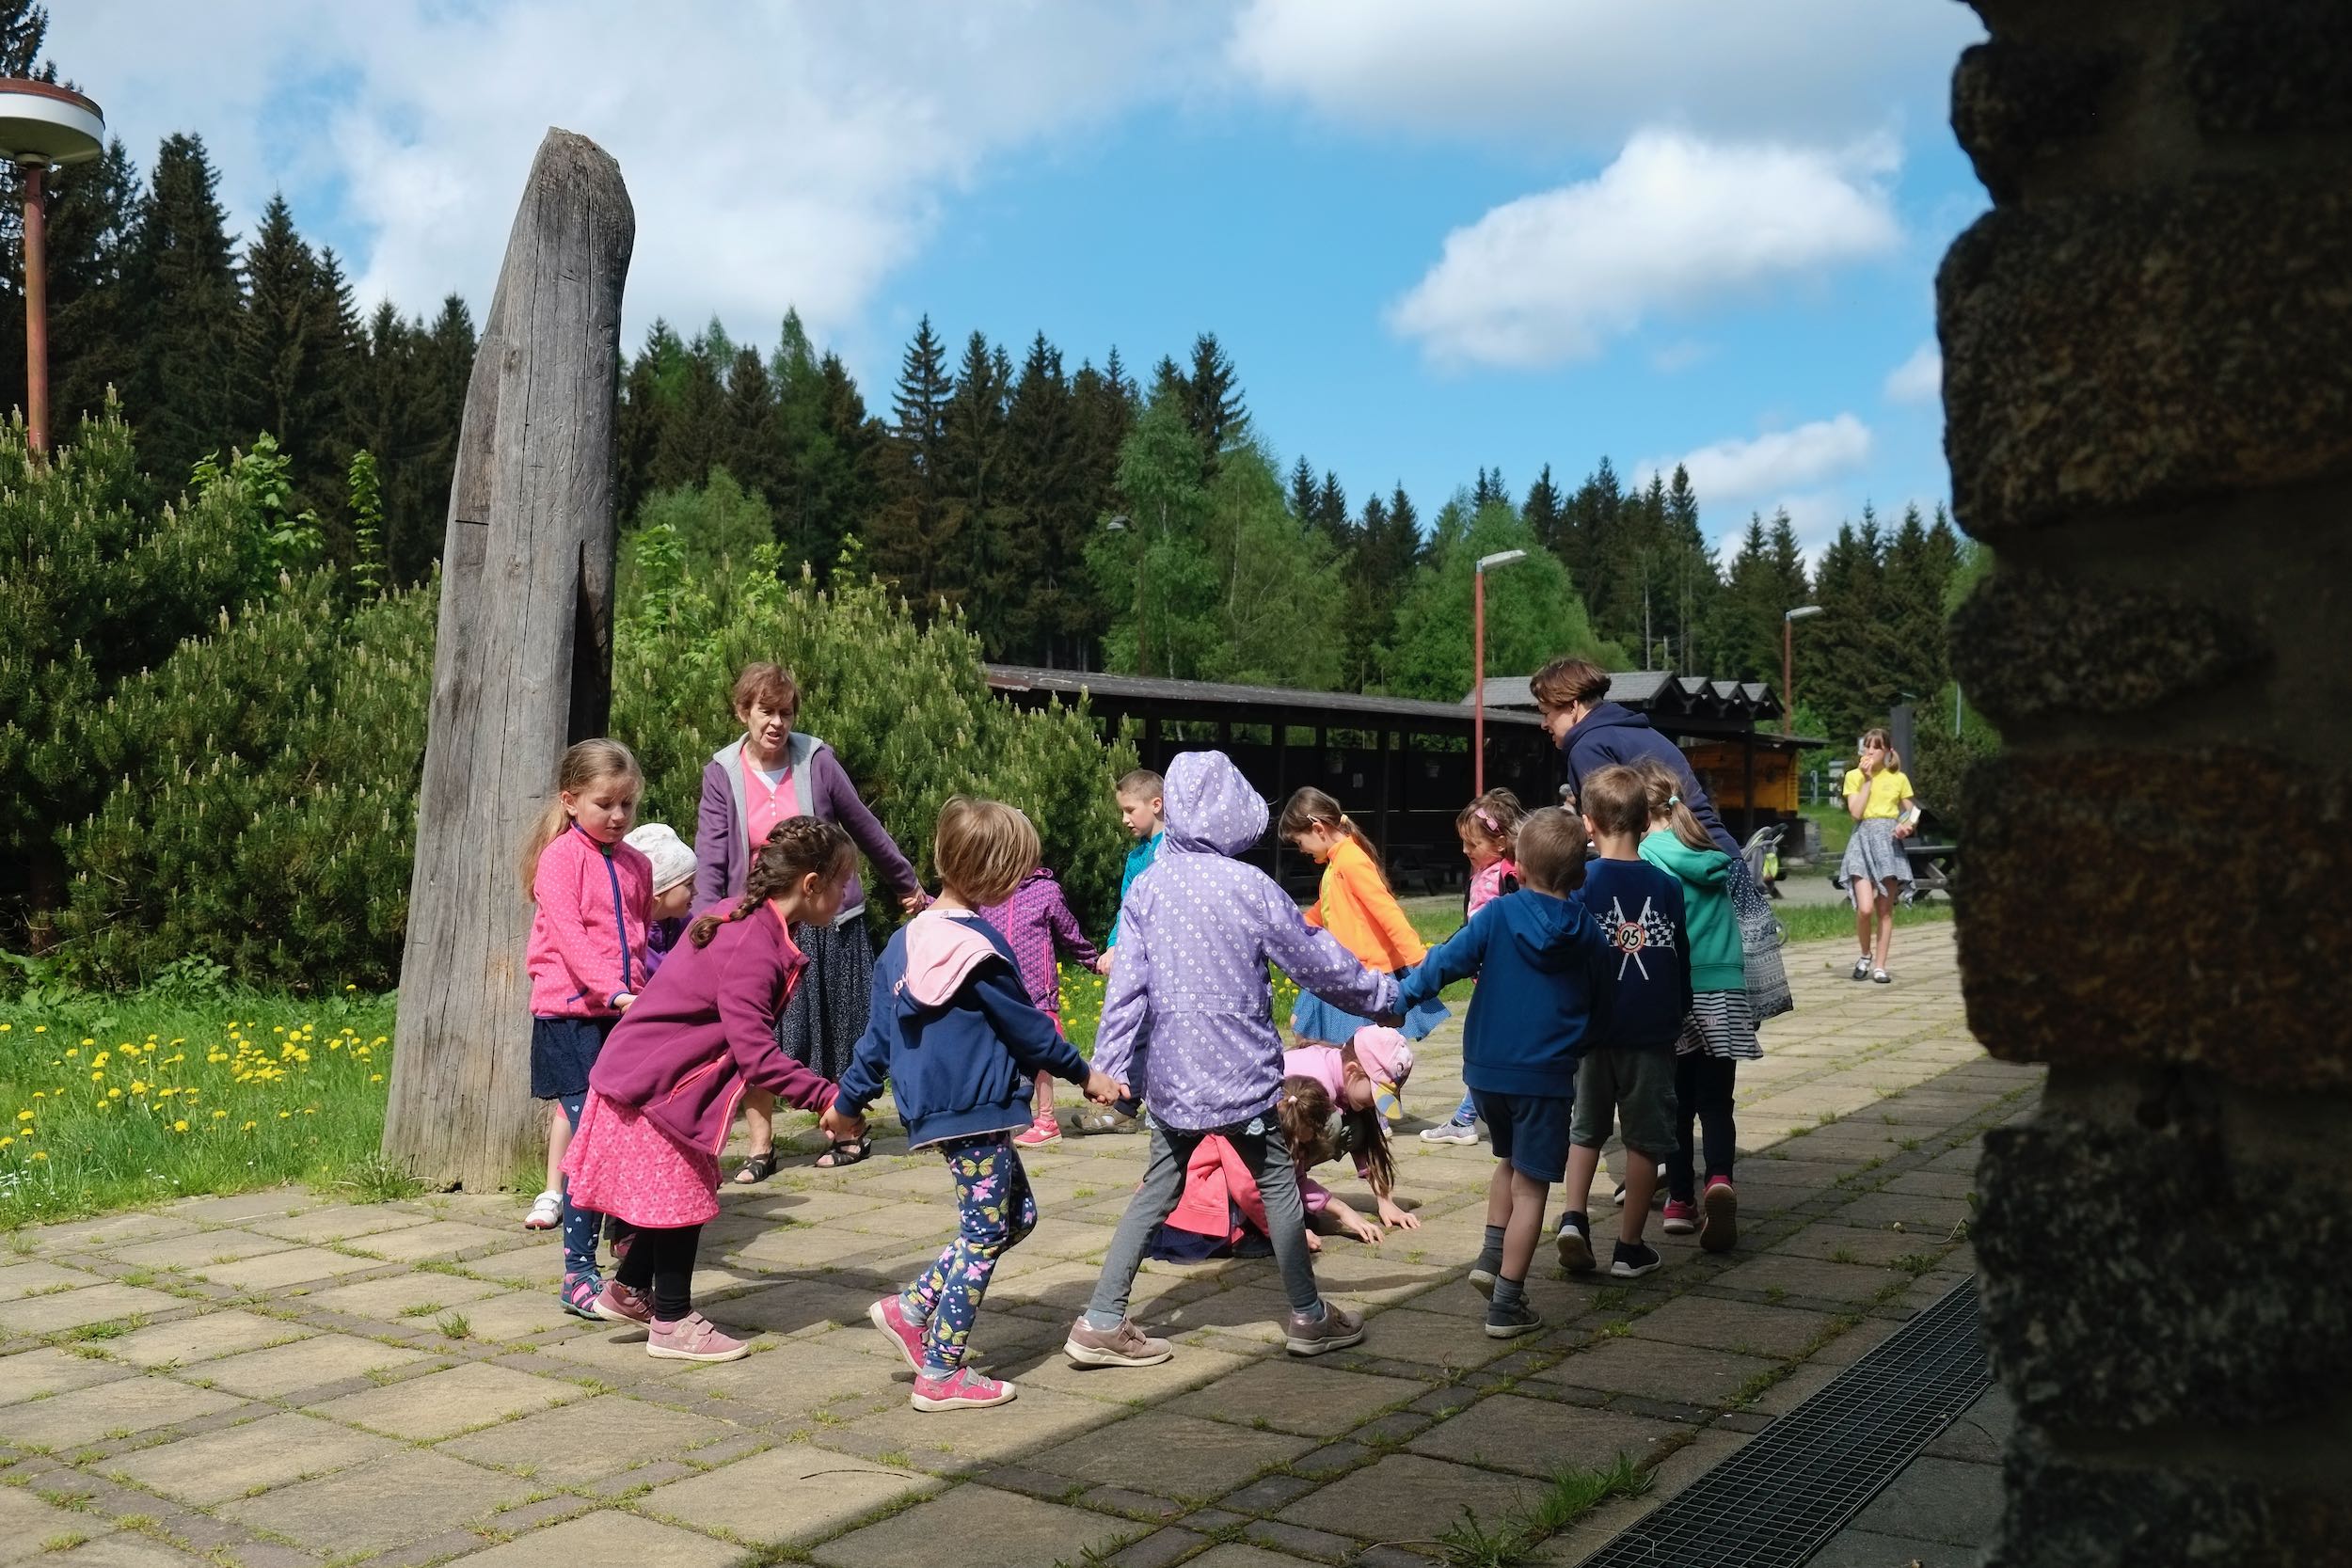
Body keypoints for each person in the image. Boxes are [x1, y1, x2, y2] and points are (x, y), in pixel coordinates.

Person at [1067, 751, 1402, 1369]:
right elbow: (1315, 959)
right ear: (1232, 810)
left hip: (1174, 1080)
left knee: (1156, 1189)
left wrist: (1108, 1064)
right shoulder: (1250, 886)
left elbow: (1126, 989)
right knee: (1276, 1183)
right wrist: (1383, 996)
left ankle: (1102, 1319)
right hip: (1242, 1078)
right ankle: (1309, 1316)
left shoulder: (1148, 887)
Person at [836, 798, 1125, 1412]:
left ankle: (911, 1307)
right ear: (996, 875)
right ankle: (941, 1370)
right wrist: (1085, 1074)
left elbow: (876, 1038)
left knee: (1015, 1216)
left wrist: (849, 1100)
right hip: (977, 1108)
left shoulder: (903, 942)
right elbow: (1030, 1030)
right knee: (984, 1232)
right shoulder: (981, 946)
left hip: (939, 1112)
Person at [563, 818, 866, 1363]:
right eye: (842, 882)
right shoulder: (752, 943)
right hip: (654, 1090)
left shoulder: (747, 921)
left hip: (651, 1082)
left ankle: (628, 1289)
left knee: (673, 1197)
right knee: (682, 1203)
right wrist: (827, 1098)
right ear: (811, 883)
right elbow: (756, 1054)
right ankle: (672, 1323)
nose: (847, 894)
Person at [691, 662, 926, 1179]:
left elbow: (863, 825)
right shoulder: (722, 772)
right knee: (758, 1032)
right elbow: (710, 858)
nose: (777, 723)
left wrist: (905, 882)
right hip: (761, 922)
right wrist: (704, 926)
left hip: (827, 917)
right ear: (743, 712)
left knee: (841, 1032)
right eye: (766, 711)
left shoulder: (816, 760)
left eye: (786, 712)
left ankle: (849, 1129)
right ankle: (760, 1145)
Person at [1393, 807, 1610, 1337]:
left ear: (1519, 866)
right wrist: (1584, 1044)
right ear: (1579, 875)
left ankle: (1491, 1259)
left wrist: (1400, 997)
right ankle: (1507, 1303)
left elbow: (1444, 962)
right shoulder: (1588, 931)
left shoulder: (1496, 915)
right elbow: (1603, 1001)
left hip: (1486, 1073)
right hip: (1546, 1078)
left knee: (1508, 1162)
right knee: (1533, 1188)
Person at [1531, 656, 1793, 1022]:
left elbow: (1611, 830)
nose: (1544, 723)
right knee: (1726, 1021)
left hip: (1674, 873)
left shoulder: (1588, 744)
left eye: (1547, 712)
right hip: (1720, 861)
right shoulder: (1635, 730)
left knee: (1681, 1017)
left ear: (1573, 706)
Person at [519, 739, 653, 1322]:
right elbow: (572, 942)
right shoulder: (559, 860)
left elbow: (642, 940)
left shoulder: (637, 865)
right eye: (605, 804)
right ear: (571, 801)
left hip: (621, 1020)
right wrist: (614, 992)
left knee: (626, 1134)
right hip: (570, 1020)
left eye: (627, 804)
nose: (618, 816)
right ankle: (578, 1275)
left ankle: (625, 1242)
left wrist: (645, 996)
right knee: (591, 1141)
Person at [1554, 765, 1690, 1282]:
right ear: (1646, 820)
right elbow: (1680, 959)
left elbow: (1567, 959)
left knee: (1585, 1130)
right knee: (1644, 1141)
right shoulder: (1668, 887)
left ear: (1588, 823)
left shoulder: (1580, 884)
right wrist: (1678, 1011)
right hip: (1651, 1033)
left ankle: (1573, 1218)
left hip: (1592, 1032)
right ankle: (1629, 1248)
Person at [1632, 761, 1757, 1254]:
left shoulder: (1648, 853)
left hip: (1679, 991)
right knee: (1718, 1101)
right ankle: (1720, 1180)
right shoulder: (1710, 849)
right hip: (1725, 988)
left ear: (1641, 813)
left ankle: (1681, 1200)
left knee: (1678, 1104)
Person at [1279, 787, 1449, 1044]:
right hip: (1341, 967)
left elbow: (1385, 909)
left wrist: (1417, 957)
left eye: (1299, 842)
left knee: (1356, 1046)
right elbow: (1326, 906)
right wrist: (1292, 927)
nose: (1301, 850)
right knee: (1304, 1028)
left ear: (1318, 829)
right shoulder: (1336, 863)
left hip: (1362, 973)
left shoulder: (1351, 860)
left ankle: (1359, 1071)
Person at [976, 862, 1106, 1148]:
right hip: (999, 989)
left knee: (1042, 1054)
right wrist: (925, 902)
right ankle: (1005, 1115)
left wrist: (1094, 961)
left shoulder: (1046, 890)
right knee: (999, 1049)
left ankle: (1046, 1120)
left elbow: (1070, 933)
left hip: (1037, 991)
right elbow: (960, 915)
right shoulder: (986, 890)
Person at [1423, 789, 1526, 1146]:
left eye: (1473, 843)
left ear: (1500, 842)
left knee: (1487, 1052)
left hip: (1500, 981)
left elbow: (1491, 929)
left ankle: (1465, 1119)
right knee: (1498, 1050)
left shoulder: (1504, 877)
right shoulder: (1493, 872)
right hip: (1496, 979)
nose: (1465, 850)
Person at [1280, 1029, 1422, 1245]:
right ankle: (1284, 1203)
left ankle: (1297, 1197)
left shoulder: (1340, 1069)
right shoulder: (1317, 1087)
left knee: (1355, 1125)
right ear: (1352, 1070)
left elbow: (1368, 1136)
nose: (1375, 1103)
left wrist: (1385, 1200)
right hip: (1248, 1163)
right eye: (1374, 1093)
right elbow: (1275, 1168)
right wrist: (1341, 1210)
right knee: (1333, 1123)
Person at [1836, 728, 1917, 985]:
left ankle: (1880, 967)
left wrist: (1907, 826)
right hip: (1862, 841)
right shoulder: (1853, 776)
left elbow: (1913, 812)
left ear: (1887, 751)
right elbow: (1855, 813)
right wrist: (1868, 780)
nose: (1870, 751)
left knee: (1884, 910)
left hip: (1889, 844)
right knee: (1865, 908)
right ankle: (1865, 954)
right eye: (1867, 746)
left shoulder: (1899, 778)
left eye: (1876, 747)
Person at [625, 822, 699, 978]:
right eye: (688, 884)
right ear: (658, 891)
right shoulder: (630, 939)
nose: (696, 892)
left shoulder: (685, 925)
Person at [1104, 768, 1166, 951]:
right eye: (1122, 812)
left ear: (1156, 805)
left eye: (1130, 810)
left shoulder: (1177, 851)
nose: (1124, 819)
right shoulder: (1134, 858)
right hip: (1141, 949)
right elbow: (1127, 907)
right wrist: (1114, 945)